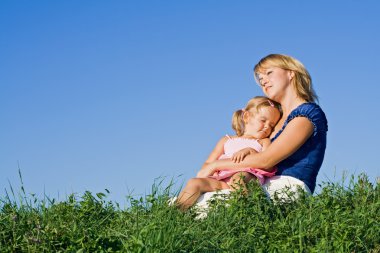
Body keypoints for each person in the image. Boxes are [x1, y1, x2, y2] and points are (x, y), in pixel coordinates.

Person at [198, 54, 328, 201]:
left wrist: (216, 165)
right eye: (260, 79)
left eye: (269, 73)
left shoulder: (307, 113)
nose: (263, 81)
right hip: (259, 183)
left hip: (288, 186)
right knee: (194, 196)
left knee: (209, 205)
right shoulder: (275, 120)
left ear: (291, 73)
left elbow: (266, 160)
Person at [176, 96, 282, 211]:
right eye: (263, 120)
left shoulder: (262, 142)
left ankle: (246, 212)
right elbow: (209, 163)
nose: (267, 126)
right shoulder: (226, 140)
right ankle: (176, 215)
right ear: (246, 117)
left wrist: (250, 151)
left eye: (271, 125)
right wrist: (205, 172)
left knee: (238, 179)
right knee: (193, 183)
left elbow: (267, 161)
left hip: (247, 176)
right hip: (222, 181)